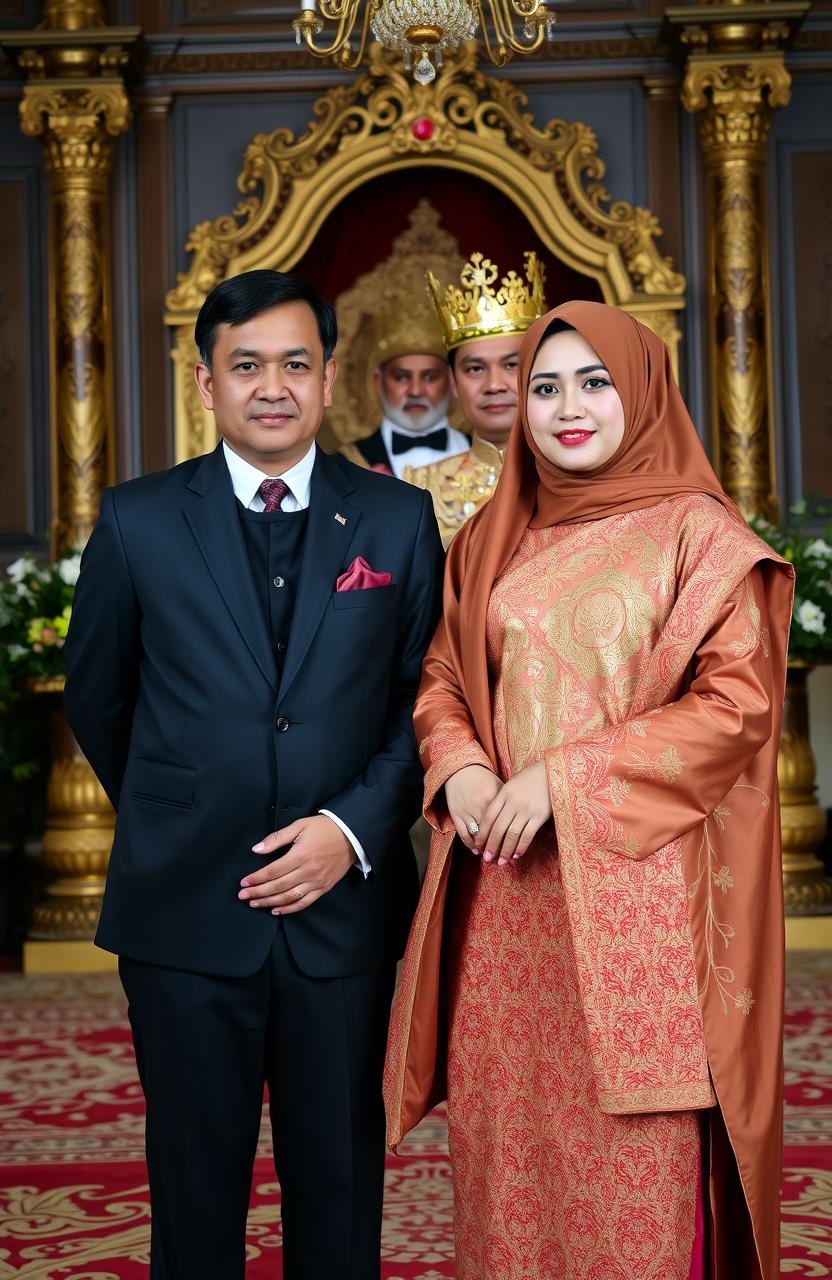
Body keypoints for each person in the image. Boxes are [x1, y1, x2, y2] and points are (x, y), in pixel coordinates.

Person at [384, 300, 794, 1280]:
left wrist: (562, 777)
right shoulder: (496, 532)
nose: (566, 406)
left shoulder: (698, 532)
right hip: (505, 902)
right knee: (504, 1159)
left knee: (630, 1172)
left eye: (592, 381)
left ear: (643, 389)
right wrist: (466, 767)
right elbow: (443, 675)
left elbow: (737, 705)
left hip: (638, 907)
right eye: (543, 386)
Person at [64, 268, 444, 1280]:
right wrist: (189, 805)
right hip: (186, 906)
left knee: (340, 1183)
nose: (270, 387)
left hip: (345, 914)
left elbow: (429, 705)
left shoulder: (397, 521)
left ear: (328, 379)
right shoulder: (138, 518)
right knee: (193, 1190)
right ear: (206, 383)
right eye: (245, 366)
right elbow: (97, 698)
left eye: (293, 364)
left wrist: (349, 831)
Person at [405, 251, 546, 546]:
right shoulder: (419, 489)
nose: (494, 384)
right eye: (475, 368)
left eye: (512, 365)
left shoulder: (578, 479)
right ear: (454, 382)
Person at [342, 300, 469, 477]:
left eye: (430, 377)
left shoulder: (486, 455)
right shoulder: (345, 465)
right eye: (401, 377)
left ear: (451, 380)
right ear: (378, 382)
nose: (415, 391)